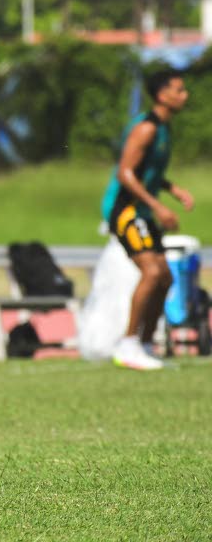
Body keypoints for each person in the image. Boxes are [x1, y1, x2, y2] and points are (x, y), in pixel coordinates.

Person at [101, 69, 193, 370]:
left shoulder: (165, 128)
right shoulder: (147, 128)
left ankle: (143, 344)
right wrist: (159, 207)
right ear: (162, 95)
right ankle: (128, 343)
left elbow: (147, 171)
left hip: (142, 209)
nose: (184, 95)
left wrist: (171, 188)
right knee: (152, 272)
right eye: (179, 90)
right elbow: (125, 173)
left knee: (165, 276)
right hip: (125, 209)